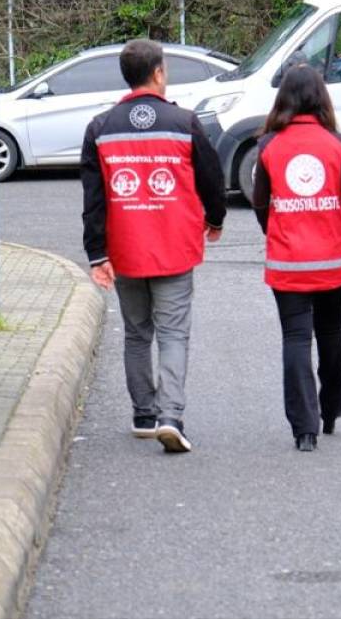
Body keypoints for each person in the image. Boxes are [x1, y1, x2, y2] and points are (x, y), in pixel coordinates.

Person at [81, 39, 226, 453]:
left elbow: (93, 198)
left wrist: (97, 253)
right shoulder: (184, 122)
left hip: (125, 248)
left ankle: (144, 415)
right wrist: (215, 218)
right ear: (159, 73)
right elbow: (211, 177)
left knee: (136, 334)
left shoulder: (100, 127)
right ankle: (171, 417)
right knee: (173, 333)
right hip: (174, 246)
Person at [251, 64, 341, 452]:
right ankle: (332, 407)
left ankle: (304, 430)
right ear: (322, 97)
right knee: (331, 331)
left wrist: (275, 232)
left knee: (295, 337)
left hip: (287, 262)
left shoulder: (268, 146)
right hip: (332, 262)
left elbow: (260, 202)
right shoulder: (340, 145)